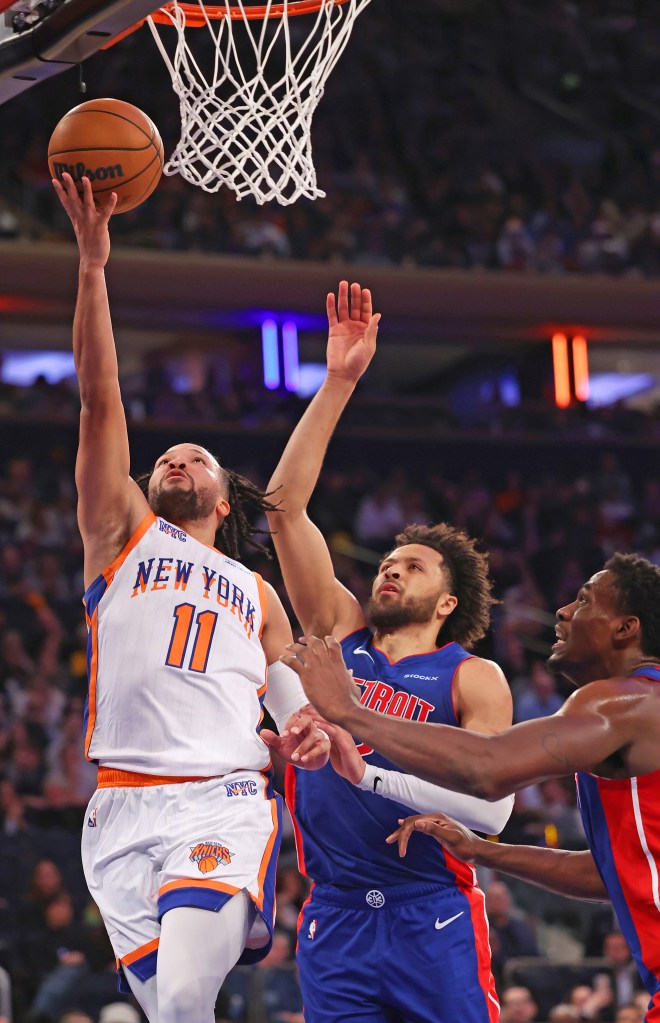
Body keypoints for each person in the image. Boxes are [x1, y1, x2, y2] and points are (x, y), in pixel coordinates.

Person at [51, 172, 330, 1023]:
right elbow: (101, 399)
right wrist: (93, 266)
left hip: (221, 795)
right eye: (165, 455)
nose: (176, 459)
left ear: (222, 499)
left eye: (196, 458)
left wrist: (306, 725)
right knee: (173, 1013)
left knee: (177, 1002)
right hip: (119, 812)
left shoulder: (257, 589)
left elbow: (286, 696)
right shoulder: (121, 536)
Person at [263, 280, 514, 1022]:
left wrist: (371, 775)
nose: (390, 567)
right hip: (332, 913)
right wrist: (338, 380)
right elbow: (283, 509)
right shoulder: (339, 631)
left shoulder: (474, 675)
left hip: (429, 908)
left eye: (414, 565)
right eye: (388, 559)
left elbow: (487, 801)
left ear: (447, 602)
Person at [282, 553, 660, 1018]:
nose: (562, 611)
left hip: (427, 913)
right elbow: (612, 873)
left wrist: (350, 711)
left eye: (583, 601)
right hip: (340, 913)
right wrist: (483, 853)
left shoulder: (624, 703)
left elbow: (489, 768)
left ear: (626, 628)